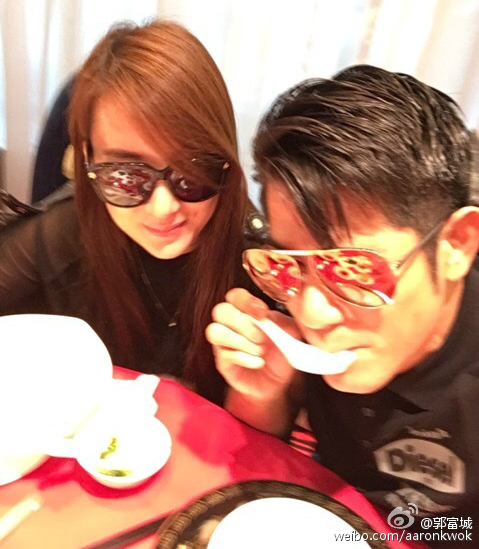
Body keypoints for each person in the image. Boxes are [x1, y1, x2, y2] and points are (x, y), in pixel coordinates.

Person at [207, 65, 479, 543]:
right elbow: (263, 464)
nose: (312, 313)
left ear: (456, 244)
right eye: (289, 265)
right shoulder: (293, 303)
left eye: (352, 270)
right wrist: (264, 394)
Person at [0, 20, 264, 404]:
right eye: (126, 175)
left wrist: (265, 393)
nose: (163, 208)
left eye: (191, 173)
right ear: (87, 158)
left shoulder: (256, 260)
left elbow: (273, 422)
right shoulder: (68, 231)